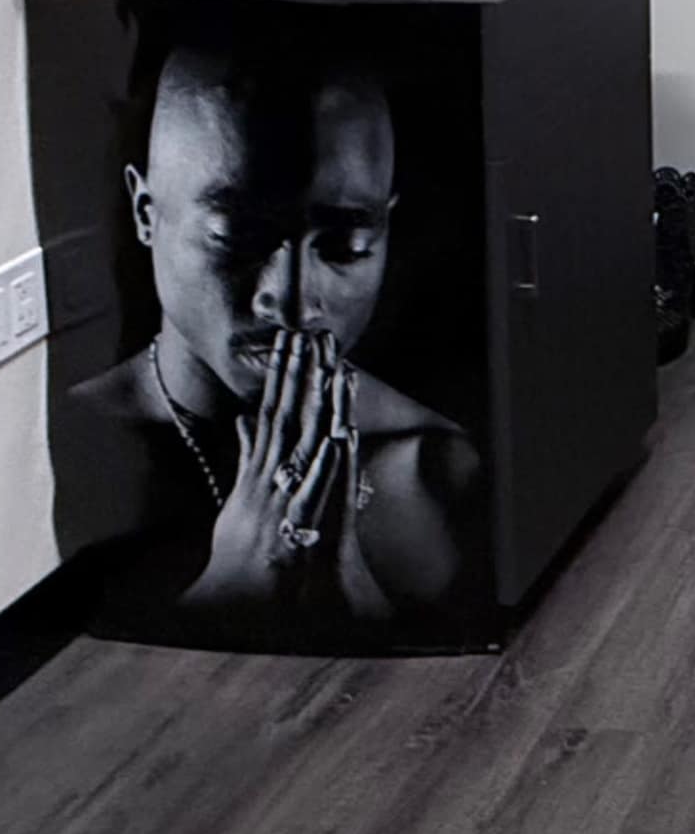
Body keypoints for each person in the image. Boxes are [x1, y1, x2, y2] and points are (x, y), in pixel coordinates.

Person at [66, 35, 486, 643]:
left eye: (346, 247)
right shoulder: (75, 440)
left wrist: (350, 586)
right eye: (236, 238)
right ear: (144, 213)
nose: (289, 299)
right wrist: (232, 587)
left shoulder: (432, 464)